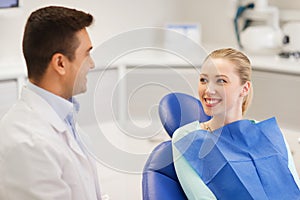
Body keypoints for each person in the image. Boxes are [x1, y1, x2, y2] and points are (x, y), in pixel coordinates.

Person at [0, 6, 102, 200]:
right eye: (87, 54)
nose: (92, 64)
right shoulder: (29, 144)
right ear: (60, 64)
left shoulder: (61, 116)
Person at [172, 48, 300, 199]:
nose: (208, 90)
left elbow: (294, 189)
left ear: (244, 89)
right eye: (203, 80)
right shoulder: (188, 138)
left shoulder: (269, 135)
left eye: (221, 81)